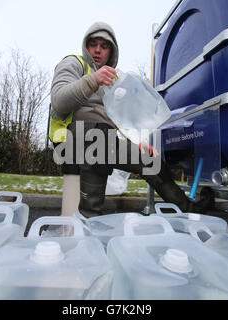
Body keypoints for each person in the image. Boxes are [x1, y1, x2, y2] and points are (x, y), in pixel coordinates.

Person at [50, 21, 192, 218]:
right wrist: (93, 80)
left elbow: (120, 118)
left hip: (104, 137)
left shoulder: (113, 80)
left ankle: (188, 209)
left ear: (112, 50)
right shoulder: (74, 63)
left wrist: (138, 142)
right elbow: (58, 101)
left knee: (150, 160)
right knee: (98, 136)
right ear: (85, 45)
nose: (97, 50)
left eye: (104, 46)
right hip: (72, 138)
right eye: (93, 44)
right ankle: (89, 217)